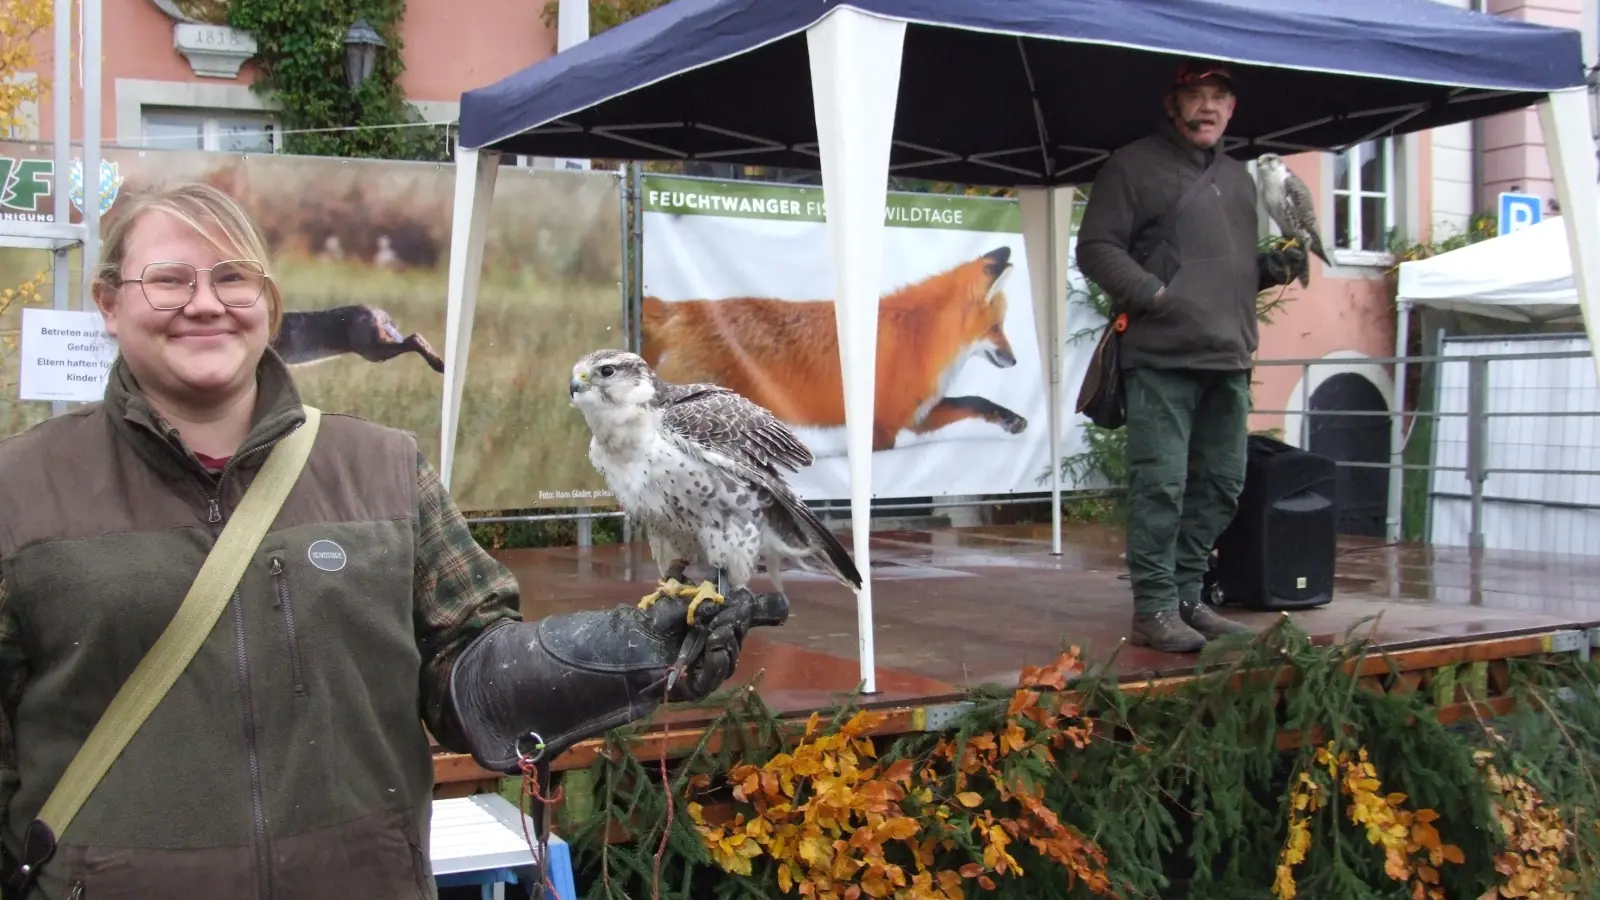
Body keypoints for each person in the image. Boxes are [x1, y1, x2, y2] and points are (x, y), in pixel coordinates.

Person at [0, 182, 780, 898]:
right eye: (169, 280)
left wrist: (635, 648)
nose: (206, 304)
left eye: (233, 278)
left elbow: (471, 674)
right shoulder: (21, 490)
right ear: (108, 303)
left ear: (268, 303)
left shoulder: (381, 468)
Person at [1076, 60, 1308, 653]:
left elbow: (1223, 272)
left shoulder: (1239, 180)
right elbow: (1096, 248)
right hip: (1161, 358)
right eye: (1195, 95)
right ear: (1172, 103)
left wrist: (1266, 268)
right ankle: (1154, 608)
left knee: (1224, 485)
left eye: (1219, 97)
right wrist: (1153, 293)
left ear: (1232, 109)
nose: (1208, 107)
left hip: (1228, 359)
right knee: (1162, 486)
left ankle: (1186, 599)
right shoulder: (1132, 166)